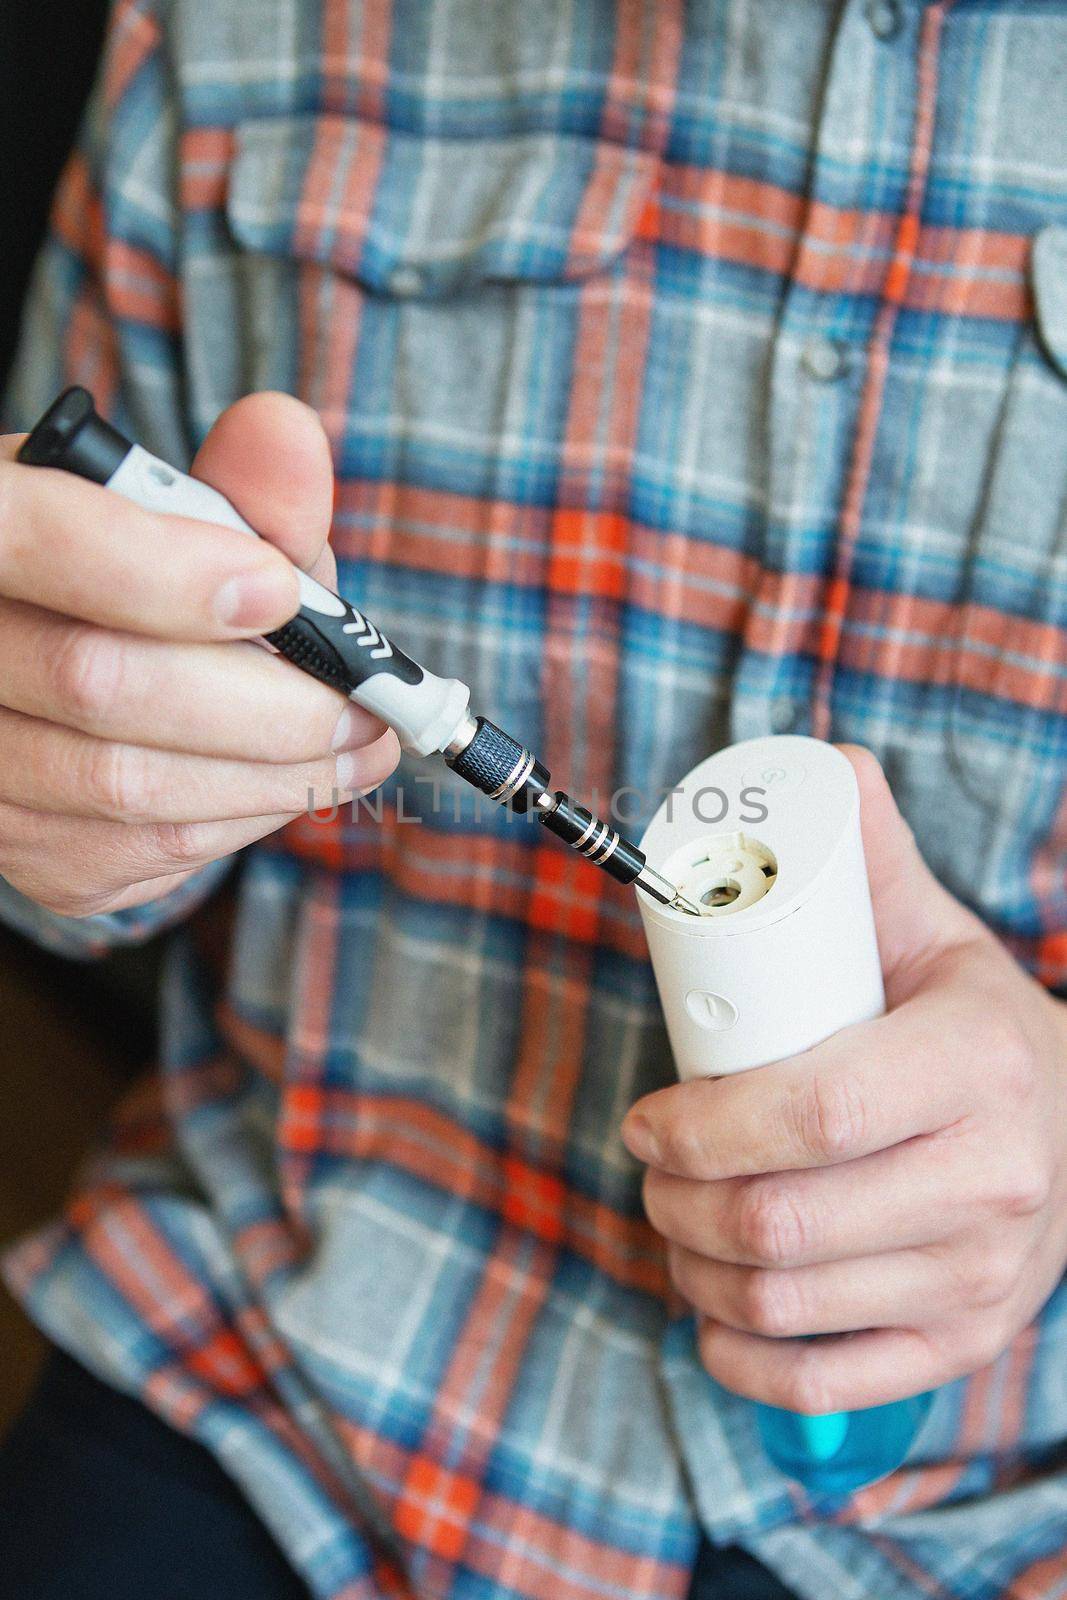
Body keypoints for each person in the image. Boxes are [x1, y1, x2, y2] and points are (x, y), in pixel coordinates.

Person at [0, 2, 1065, 1597]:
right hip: (270, 1375)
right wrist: (56, 775)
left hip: (959, 1519)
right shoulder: (232, 35)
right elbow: (51, 872)